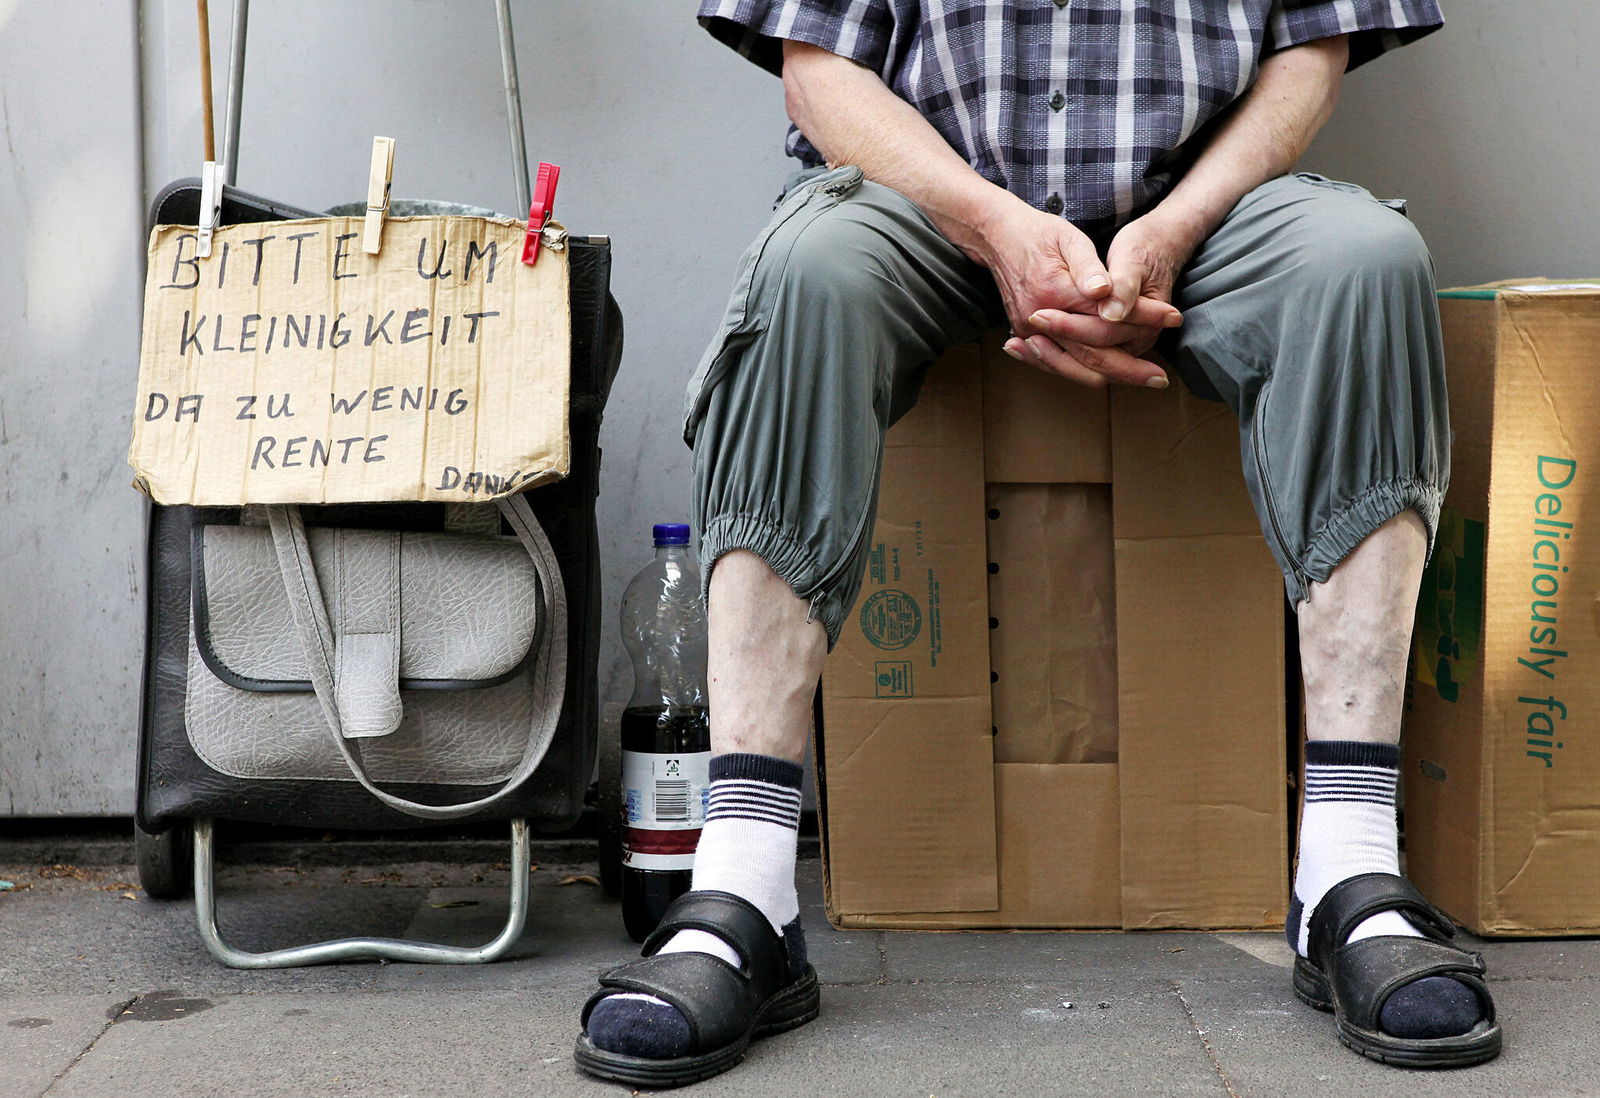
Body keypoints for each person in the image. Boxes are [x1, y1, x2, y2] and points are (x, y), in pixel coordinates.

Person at [576, 1, 1501, 1085]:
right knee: (803, 276)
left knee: (1364, 260)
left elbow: (1311, 50)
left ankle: (1348, 874)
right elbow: (817, 67)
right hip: (922, 202)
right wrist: (994, 226)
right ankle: (745, 892)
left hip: (1210, 210)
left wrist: (1172, 229)